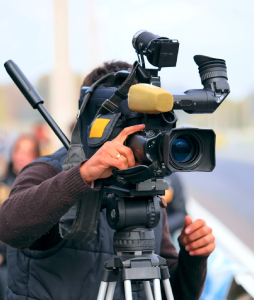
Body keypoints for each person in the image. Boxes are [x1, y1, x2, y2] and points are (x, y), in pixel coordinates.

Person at [0, 61, 215, 300]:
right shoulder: (49, 170)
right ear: (94, 117)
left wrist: (193, 256)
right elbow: (9, 227)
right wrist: (81, 176)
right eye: (128, 119)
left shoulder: (145, 185)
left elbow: (173, 293)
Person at [0, 134, 40, 300]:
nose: (21, 156)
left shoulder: (42, 188)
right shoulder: (2, 184)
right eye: (18, 150)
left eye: (28, 152)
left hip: (31, 260)